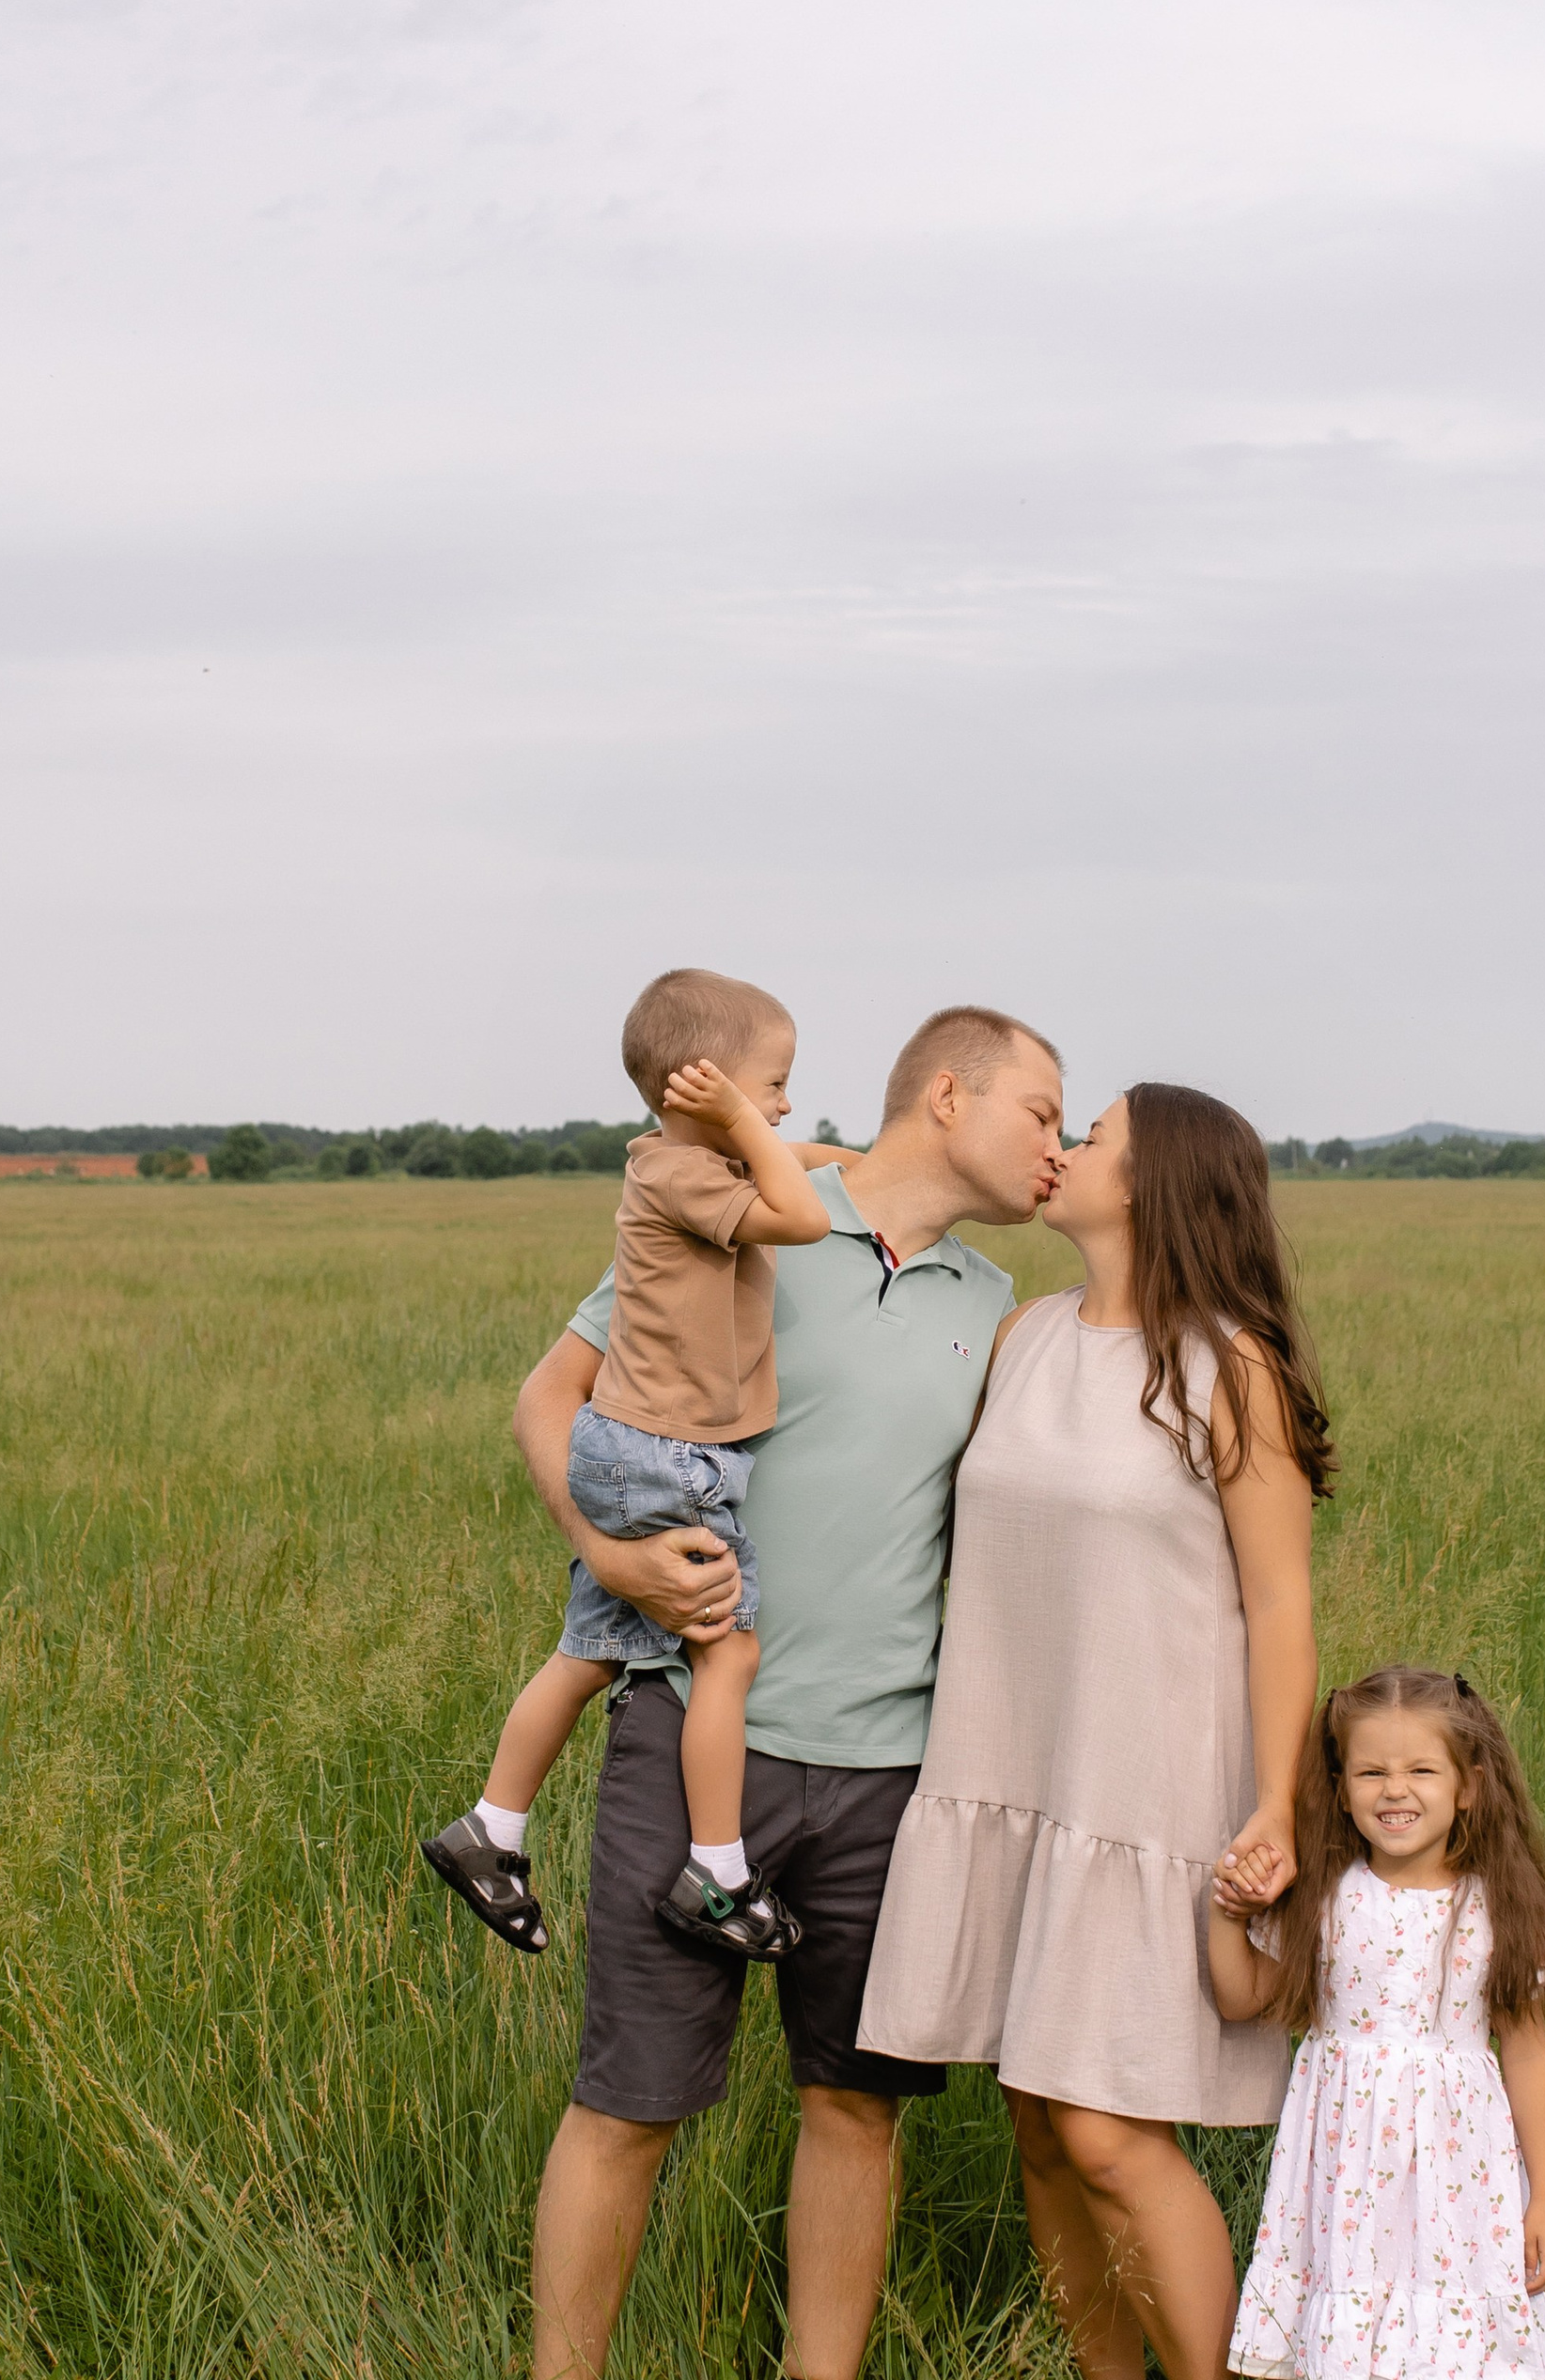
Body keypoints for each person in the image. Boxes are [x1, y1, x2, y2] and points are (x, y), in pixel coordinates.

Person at [514, 1004, 1067, 2380]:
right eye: (1042, 1113)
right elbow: (551, 1394)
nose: (1057, 1143)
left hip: (890, 1771)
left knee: (858, 2109)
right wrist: (611, 1556)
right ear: (949, 1096)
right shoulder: (753, 1211)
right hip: (698, 1738)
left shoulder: (995, 1307)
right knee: (629, 2104)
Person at [857, 1081, 1328, 2380]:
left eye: (1096, 1135)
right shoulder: (1026, 1338)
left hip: (1151, 1783)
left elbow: (1282, 1605)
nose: (1062, 1152)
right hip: (1011, 1763)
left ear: (1155, 1183)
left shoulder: (1231, 1367)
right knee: (1036, 2121)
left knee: (1110, 2130)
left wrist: (1282, 1807)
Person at [422, 969, 835, 1958]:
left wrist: (850, 1158)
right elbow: (804, 1214)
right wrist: (748, 1123)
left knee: (588, 1652)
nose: (780, 1105)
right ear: (701, 1088)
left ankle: (493, 1827)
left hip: (630, 1447)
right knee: (727, 1651)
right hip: (671, 1458)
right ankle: (718, 1871)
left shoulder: (684, 1164)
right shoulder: (685, 1176)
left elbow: (797, 1165)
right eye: (769, 1082)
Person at [1209, 1666, 1545, 2380]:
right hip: (1345, 2172)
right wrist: (1227, 1913)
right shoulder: (1324, 1899)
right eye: (1371, 1771)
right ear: (1341, 1786)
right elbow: (1240, 1998)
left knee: (1455, 2346)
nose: (1394, 1789)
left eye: (1421, 1769)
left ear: (1468, 1785)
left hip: (1459, 2177)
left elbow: (1529, 2054)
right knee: (1351, 2338)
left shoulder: (1500, 1913)